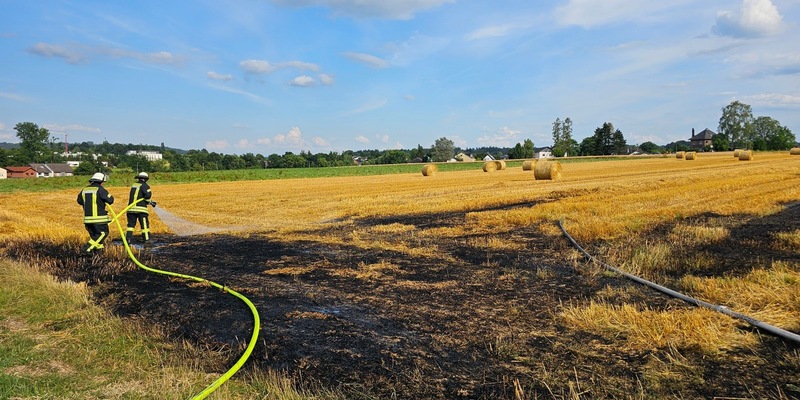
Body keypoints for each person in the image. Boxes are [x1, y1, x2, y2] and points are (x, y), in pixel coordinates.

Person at [77, 172, 114, 254]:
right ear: (101, 181)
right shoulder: (100, 190)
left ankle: (97, 253)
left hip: (88, 220)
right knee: (103, 234)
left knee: (95, 237)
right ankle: (86, 249)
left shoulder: (84, 190)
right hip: (99, 219)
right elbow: (111, 200)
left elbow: (79, 201)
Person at [126, 171, 156, 243]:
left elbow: (139, 197)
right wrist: (150, 201)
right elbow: (147, 196)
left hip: (130, 209)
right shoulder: (145, 185)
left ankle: (128, 239)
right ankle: (146, 239)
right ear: (146, 179)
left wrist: (149, 202)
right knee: (144, 225)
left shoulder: (134, 185)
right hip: (141, 210)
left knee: (130, 225)